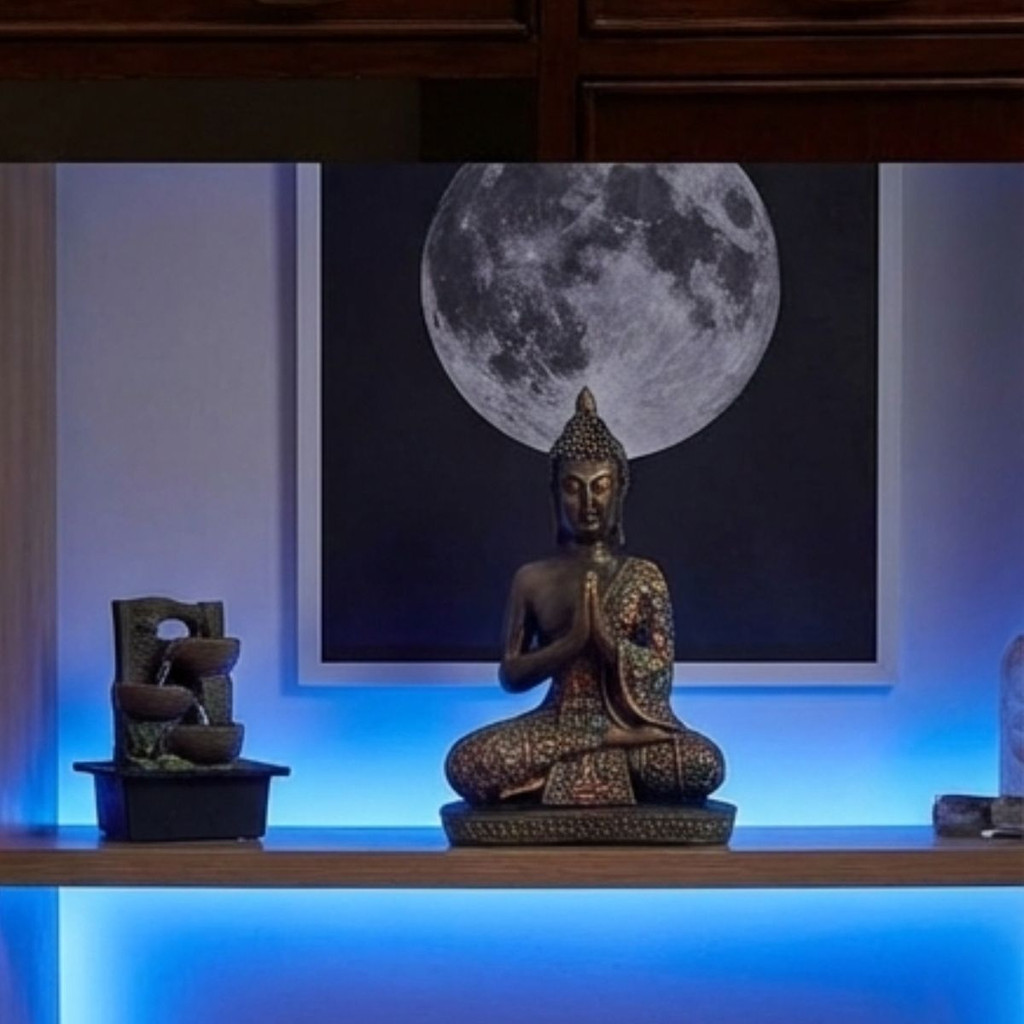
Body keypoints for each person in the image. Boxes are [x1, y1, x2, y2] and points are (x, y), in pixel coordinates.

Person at [445, 387, 725, 807]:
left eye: (601, 487)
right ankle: (598, 743)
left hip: (631, 725)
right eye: (573, 488)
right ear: (555, 494)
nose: (588, 503)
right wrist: (572, 643)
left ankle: (553, 771)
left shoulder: (644, 576)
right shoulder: (533, 578)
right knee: (466, 762)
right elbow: (512, 675)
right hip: (557, 723)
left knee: (703, 763)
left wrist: (607, 644)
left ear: (620, 492)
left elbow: (659, 675)